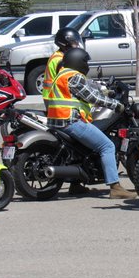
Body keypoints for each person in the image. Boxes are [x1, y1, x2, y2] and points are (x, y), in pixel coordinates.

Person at [48, 48, 137, 199]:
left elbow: (86, 90)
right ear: (79, 61)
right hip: (71, 121)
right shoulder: (74, 76)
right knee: (107, 146)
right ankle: (115, 187)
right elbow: (92, 98)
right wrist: (116, 105)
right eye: (86, 61)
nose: (87, 65)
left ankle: (75, 185)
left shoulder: (61, 75)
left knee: (80, 151)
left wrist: (105, 91)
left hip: (57, 122)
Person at [42, 27, 86, 194]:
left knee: (72, 143)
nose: (77, 45)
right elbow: (70, 81)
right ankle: (75, 179)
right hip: (60, 104)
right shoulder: (62, 60)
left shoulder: (57, 57)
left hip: (53, 101)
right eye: (74, 42)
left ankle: (76, 181)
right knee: (78, 142)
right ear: (65, 43)